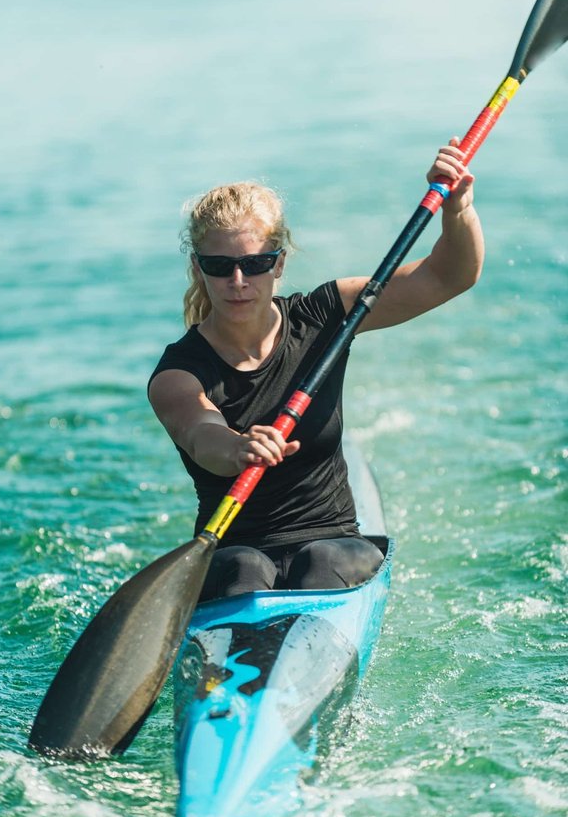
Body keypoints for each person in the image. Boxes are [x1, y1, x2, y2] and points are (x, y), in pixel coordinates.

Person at [148, 138, 484, 601]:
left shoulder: (327, 315)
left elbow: (449, 277)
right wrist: (238, 447)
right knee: (245, 567)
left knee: (318, 562)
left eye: (256, 263)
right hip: (233, 551)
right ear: (198, 267)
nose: (239, 281)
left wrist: (458, 208)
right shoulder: (177, 373)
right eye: (220, 266)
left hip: (334, 541)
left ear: (280, 262)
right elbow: (201, 433)